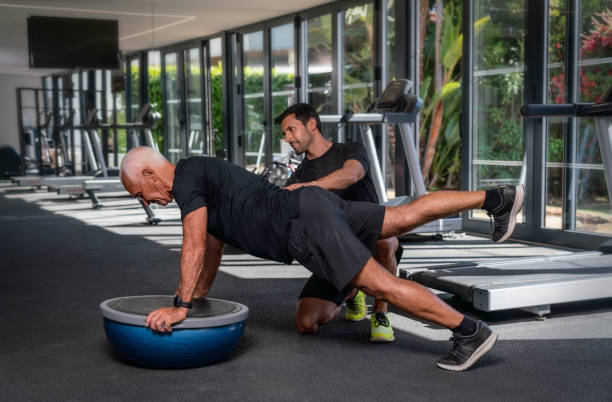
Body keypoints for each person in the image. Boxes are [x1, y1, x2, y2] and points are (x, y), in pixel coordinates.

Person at [119, 145, 524, 371]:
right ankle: (497, 198)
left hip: (303, 226)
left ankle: (469, 331)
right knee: (401, 217)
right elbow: (210, 248)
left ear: (152, 174)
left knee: (380, 283)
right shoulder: (198, 175)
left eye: (140, 193)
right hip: (312, 206)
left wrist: (181, 307)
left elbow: (191, 245)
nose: (146, 203)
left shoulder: (187, 180)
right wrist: (197, 297)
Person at [276, 103, 400, 342]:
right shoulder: (299, 174)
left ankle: (380, 313)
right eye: (285, 133)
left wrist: (304, 189)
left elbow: (350, 175)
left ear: (312, 124)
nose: (287, 138)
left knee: (386, 239)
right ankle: (353, 291)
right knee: (306, 323)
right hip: (336, 255)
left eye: (291, 129)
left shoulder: (351, 150)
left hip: (370, 243)